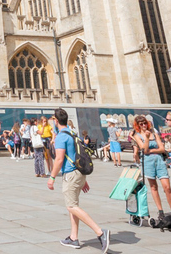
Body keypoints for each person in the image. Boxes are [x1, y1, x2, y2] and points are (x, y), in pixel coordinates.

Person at [47, 108, 109, 253]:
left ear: (56, 121)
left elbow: (59, 159)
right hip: (78, 172)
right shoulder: (72, 132)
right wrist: (83, 179)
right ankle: (73, 238)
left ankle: (100, 232)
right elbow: (77, 154)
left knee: (71, 206)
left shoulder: (61, 136)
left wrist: (52, 177)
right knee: (73, 205)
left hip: (70, 174)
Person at [131, 115, 171, 220]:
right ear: (137, 125)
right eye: (141, 124)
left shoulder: (154, 133)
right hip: (147, 162)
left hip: (159, 161)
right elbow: (143, 149)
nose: (143, 125)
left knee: (167, 187)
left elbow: (162, 149)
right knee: (153, 187)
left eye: (145, 123)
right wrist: (146, 138)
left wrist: (151, 151)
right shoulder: (137, 135)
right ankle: (160, 211)